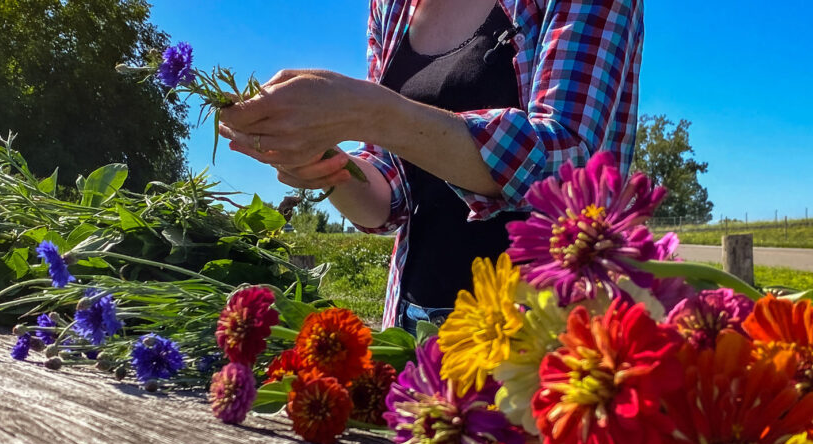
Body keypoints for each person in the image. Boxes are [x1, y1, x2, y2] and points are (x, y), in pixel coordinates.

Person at [219, 0, 644, 331]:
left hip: (544, 341)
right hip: (413, 334)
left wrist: (372, 113)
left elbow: (565, 159)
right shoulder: (392, 7)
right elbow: (393, 192)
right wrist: (327, 166)